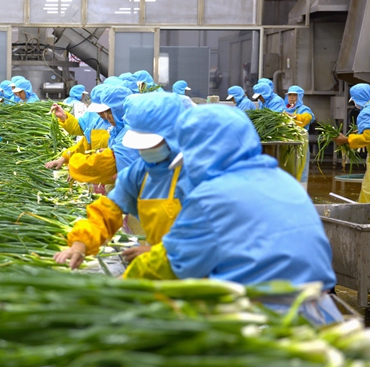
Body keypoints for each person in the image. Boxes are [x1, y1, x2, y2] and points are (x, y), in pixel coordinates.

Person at [138, 105, 339, 324]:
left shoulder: (211, 195)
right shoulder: (284, 180)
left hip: (263, 320)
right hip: (322, 314)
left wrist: (133, 273)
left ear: (201, 154)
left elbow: (183, 266)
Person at [54, 92, 187, 274]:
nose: (143, 150)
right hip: (158, 270)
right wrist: (81, 242)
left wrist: (161, 252)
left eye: (150, 143)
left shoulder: (195, 174)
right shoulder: (141, 171)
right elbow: (108, 210)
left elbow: (207, 238)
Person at [67, 84, 139, 185]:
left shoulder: (130, 134)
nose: (105, 116)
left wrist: (75, 166)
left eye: (109, 112)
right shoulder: (117, 131)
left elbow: (111, 161)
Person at [47, 85, 109, 170]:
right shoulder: (99, 121)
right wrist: (64, 158)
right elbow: (85, 143)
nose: (99, 113)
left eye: (104, 111)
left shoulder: (122, 130)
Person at [336, 83, 370, 202]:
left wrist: (346, 139)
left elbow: (368, 137)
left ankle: (365, 217)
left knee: (368, 192)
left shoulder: (366, 113)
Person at [285, 85, 314, 187]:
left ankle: (301, 190)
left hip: (300, 142)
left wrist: (294, 117)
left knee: (300, 167)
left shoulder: (304, 109)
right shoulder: (285, 108)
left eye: (294, 95)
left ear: (300, 96)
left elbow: (308, 118)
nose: (291, 97)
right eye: (290, 95)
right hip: (287, 141)